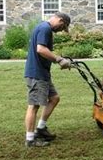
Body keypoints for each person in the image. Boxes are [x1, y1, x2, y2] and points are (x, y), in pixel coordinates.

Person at [24, 12, 72, 147]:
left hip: (43, 73)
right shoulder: (45, 29)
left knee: (54, 98)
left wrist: (61, 59)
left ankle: (41, 129)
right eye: (62, 28)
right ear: (61, 21)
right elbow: (41, 49)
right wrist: (59, 59)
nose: (60, 31)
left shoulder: (44, 28)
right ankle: (30, 139)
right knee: (34, 106)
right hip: (36, 74)